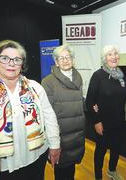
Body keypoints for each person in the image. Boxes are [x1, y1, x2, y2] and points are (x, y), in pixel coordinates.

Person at [0, 40, 61, 180]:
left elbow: (49, 117)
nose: (11, 63)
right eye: (5, 58)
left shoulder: (35, 88)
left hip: (36, 157)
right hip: (1, 163)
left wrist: (55, 145)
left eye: (17, 59)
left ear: (22, 64)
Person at [41, 44, 85, 180]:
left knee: (71, 170)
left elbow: (78, 102)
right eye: (61, 58)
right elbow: (46, 114)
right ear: (56, 62)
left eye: (68, 57)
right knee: (61, 172)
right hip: (60, 136)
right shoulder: (48, 82)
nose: (65, 60)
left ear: (73, 59)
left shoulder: (78, 77)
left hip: (77, 134)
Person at [86, 45, 126, 180]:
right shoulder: (98, 75)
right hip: (103, 123)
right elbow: (90, 101)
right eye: (110, 54)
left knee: (116, 149)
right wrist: (96, 121)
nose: (114, 57)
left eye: (115, 54)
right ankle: (98, 176)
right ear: (105, 58)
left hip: (119, 122)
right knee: (101, 150)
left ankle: (112, 171)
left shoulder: (122, 76)